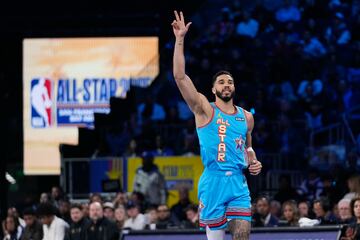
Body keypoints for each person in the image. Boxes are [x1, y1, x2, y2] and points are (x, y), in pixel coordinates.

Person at [171, 10, 262, 240]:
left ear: (234, 88)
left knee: (243, 234)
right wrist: (180, 39)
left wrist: (253, 161)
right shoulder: (204, 109)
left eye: (230, 82)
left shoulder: (246, 117)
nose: (226, 84)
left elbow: (248, 146)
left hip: (238, 184)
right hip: (213, 181)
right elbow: (180, 77)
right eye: (221, 82)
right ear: (213, 89)